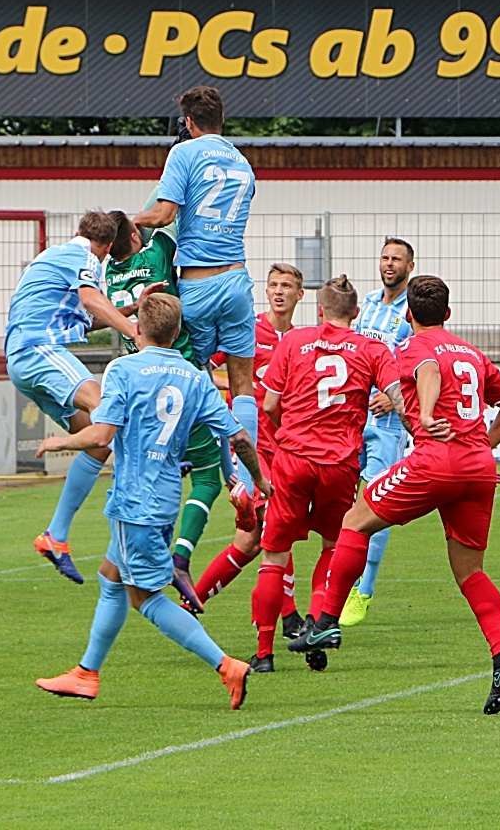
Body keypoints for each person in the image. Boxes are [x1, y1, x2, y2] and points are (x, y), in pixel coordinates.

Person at [289, 276, 500, 714]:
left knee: (353, 522)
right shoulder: (472, 353)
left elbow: (429, 371)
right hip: (478, 469)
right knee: (470, 571)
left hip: (436, 461)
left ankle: (326, 623)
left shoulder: (417, 347)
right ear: (449, 313)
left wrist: (427, 411)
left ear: (408, 315)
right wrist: (483, 447)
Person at [32, 293, 269, 708]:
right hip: (164, 498)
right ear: (178, 333)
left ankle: (225, 665)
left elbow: (102, 435)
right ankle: (86, 673)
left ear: (138, 329)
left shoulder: (123, 368)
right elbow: (240, 436)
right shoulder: (195, 376)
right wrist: (259, 481)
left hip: (133, 501)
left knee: (146, 598)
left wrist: (60, 441)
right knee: (111, 577)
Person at [250, 275, 403, 673]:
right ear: (355, 313)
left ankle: (264, 653)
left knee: (274, 555)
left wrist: (295, 428)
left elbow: (267, 405)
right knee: (333, 546)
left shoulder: (293, 341)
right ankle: (318, 627)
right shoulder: (371, 348)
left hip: (294, 458)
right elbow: (398, 394)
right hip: (340, 463)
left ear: (320, 310)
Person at [10, 211, 151, 585]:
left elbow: (89, 316)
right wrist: (136, 332)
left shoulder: (58, 256)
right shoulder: (84, 258)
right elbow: (90, 298)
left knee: (98, 440)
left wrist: (131, 310)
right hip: (37, 348)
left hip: (22, 359)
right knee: (105, 407)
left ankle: (55, 536)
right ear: (104, 249)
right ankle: (145, 474)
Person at [133, 86, 261, 490]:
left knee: (186, 375)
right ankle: (247, 482)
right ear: (222, 120)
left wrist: (129, 222)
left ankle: (186, 465)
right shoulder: (243, 163)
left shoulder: (184, 152)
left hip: (199, 284)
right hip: (237, 282)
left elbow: (163, 213)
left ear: (188, 123)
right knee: (243, 385)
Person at [189, 263, 306, 638]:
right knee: (268, 532)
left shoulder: (302, 341)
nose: (278, 291)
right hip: (250, 449)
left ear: (299, 295)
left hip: (286, 450)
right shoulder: (249, 329)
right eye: (273, 285)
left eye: (286, 286)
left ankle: (191, 602)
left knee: (255, 539)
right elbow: (207, 365)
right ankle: (286, 619)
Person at [102, 207, 210, 608]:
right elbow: (168, 216)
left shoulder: (109, 276)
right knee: (210, 476)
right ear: (135, 236)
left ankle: (122, 568)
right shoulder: (156, 252)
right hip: (178, 371)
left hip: (140, 381)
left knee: (146, 463)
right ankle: (179, 557)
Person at [340, 236, 417, 629]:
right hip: (351, 417)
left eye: (397, 259)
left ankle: (364, 589)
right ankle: (336, 581)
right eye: (385, 258)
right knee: (341, 501)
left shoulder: (412, 311)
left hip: (387, 424)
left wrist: (396, 397)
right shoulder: (367, 303)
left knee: (376, 502)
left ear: (410, 266)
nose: (389, 264)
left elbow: (419, 361)